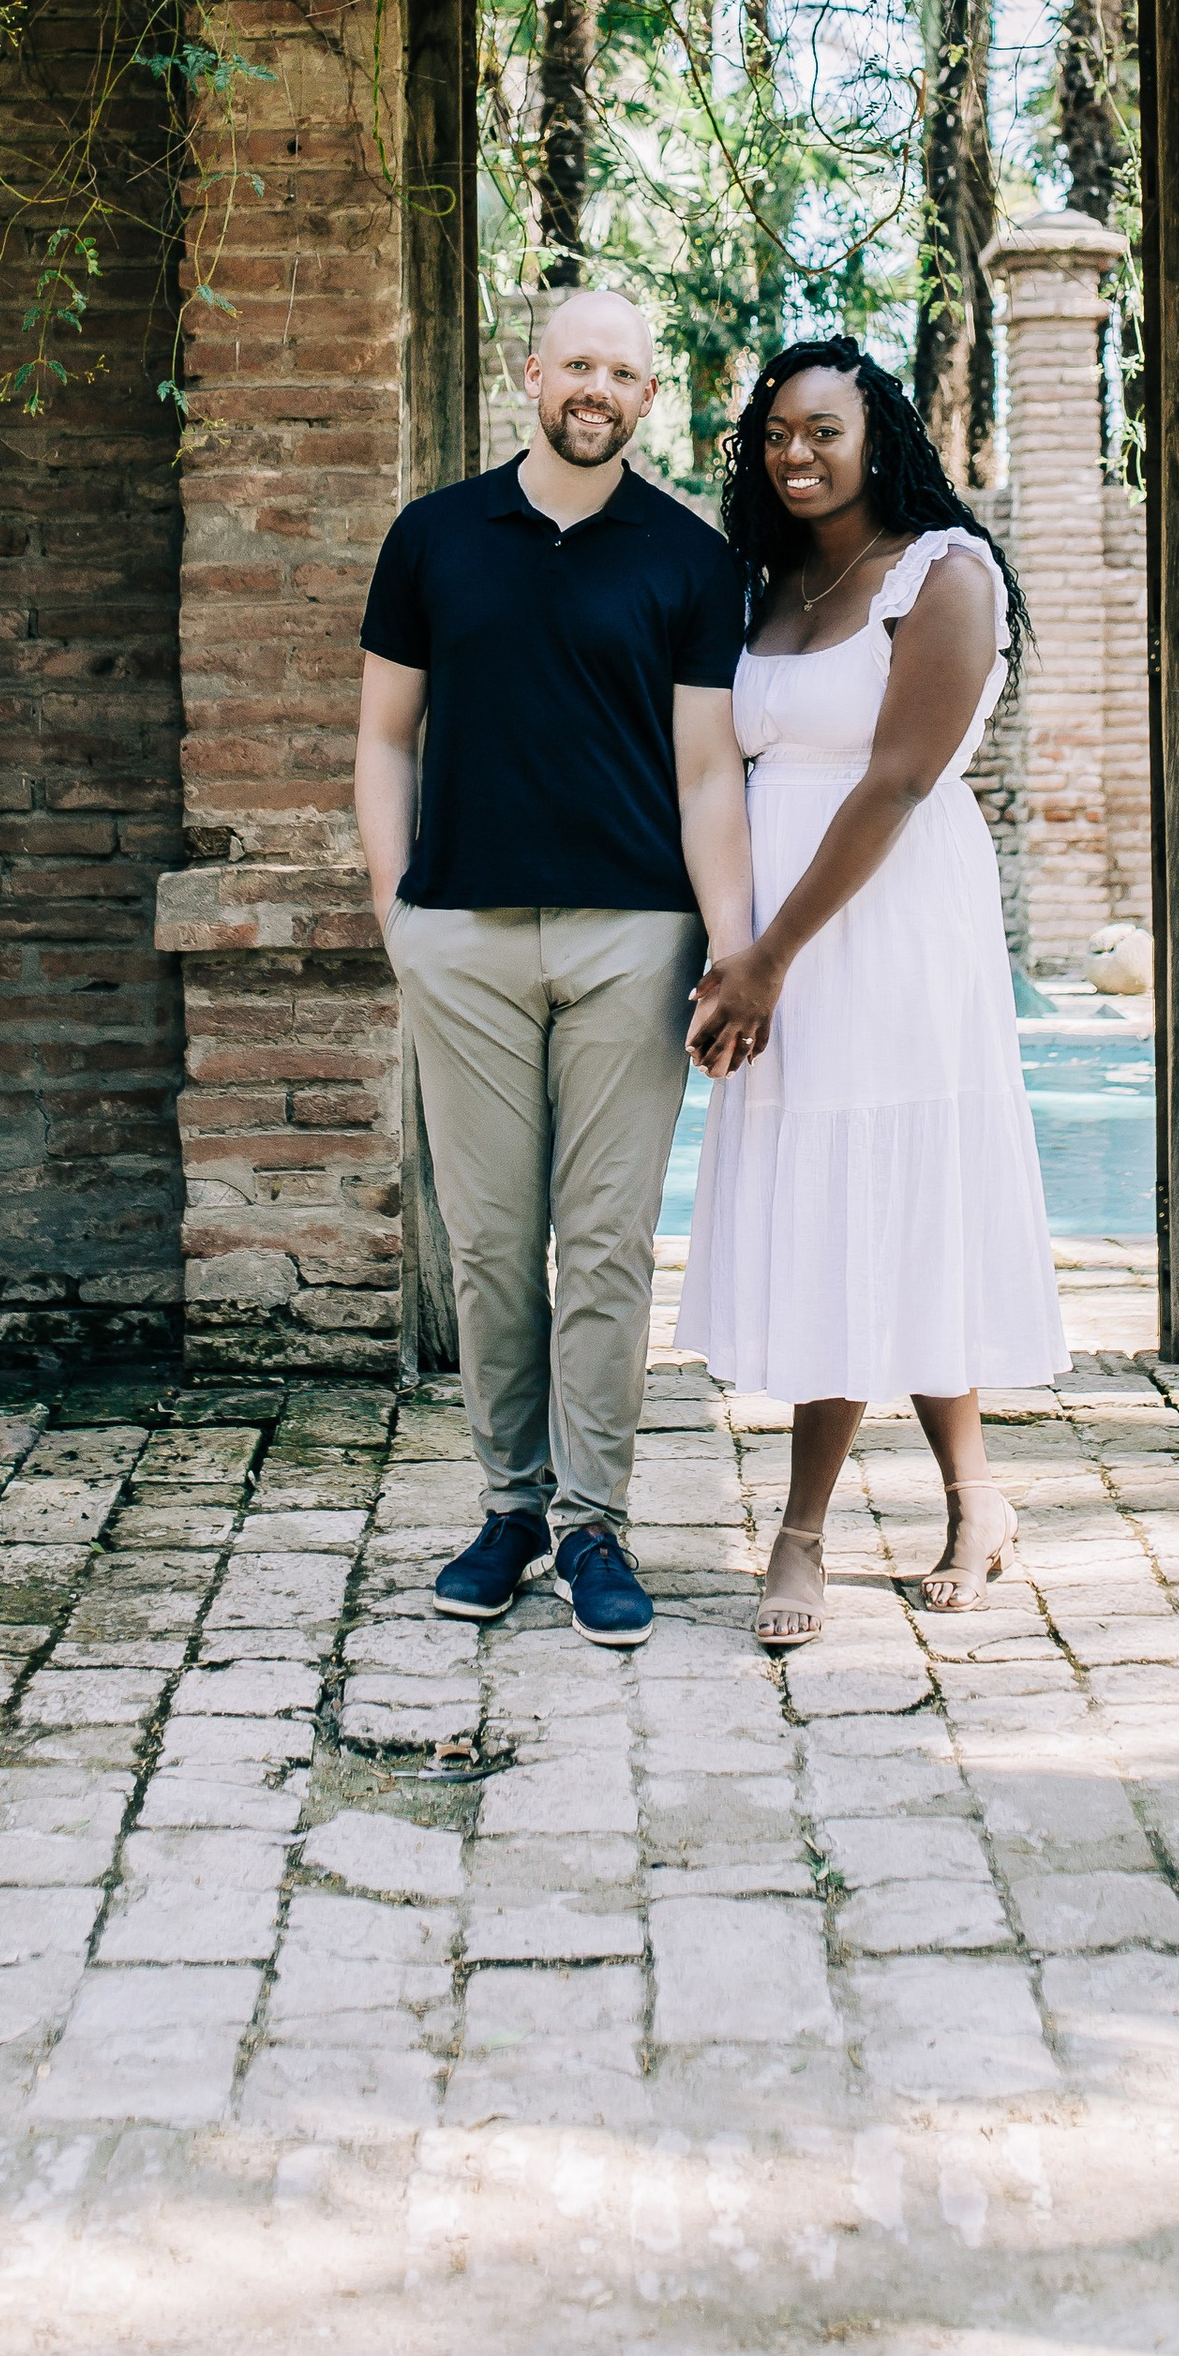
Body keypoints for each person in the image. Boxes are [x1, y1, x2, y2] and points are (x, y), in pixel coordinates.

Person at [356, 286, 753, 1650]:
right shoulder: (432, 538)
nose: (599, 388)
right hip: (459, 933)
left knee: (603, 1244)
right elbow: (383, 739)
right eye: (578, 363)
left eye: (625, 372)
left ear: (650, 399)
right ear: (533, 375)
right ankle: (509, 1507)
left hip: (632, 937)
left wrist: (728, 942)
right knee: (486, 1238)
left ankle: (593, 1524)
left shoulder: (691, 562)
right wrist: (396, 908)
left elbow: (708, 774)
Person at [680, 337, 1069, 1648]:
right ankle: (977, 1499)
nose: (796, 454)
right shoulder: (764, 580)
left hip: (887, 924)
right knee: (857, 1200)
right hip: (770, 933)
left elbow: (897, 781)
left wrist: (767, 960)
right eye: (776, 432)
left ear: (879, 436)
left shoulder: (944, 574)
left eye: (824, 431)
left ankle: (800, 1538)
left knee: (882, 1190)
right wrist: (733, 940)